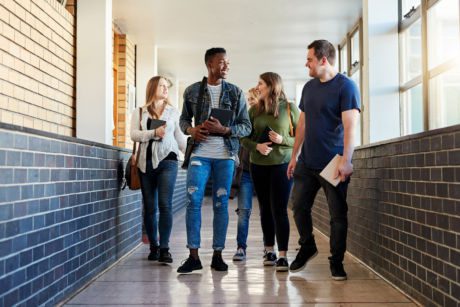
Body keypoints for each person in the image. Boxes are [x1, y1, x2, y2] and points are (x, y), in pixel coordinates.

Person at [287, 40, 361, 280]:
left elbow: (350, 126)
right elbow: (302, 123)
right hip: (307, 162)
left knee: (337, 215)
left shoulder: (346, 86)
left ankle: (336, 262)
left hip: (333, 163)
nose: (305, 63)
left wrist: (347, 160)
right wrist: (294, 154)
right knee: (298, 207)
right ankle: (307, 246)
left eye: (309, 59)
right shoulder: (308, 88)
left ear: (323, 60)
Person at [177, 47, 251, 274]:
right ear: (210, 64)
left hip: (225, 157)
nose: (226, 66)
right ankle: (193, 256)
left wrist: (225, 129)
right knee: (193, 202)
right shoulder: (191, 91)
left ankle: (218, 255)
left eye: (228, 62)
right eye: (222, 62)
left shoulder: (236, 93)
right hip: (199, 154)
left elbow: (246, 127)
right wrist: (192, 130)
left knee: (221, 205)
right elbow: (182, 121)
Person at [241, 72, 299, 272]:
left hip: (282, 164)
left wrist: (283, 141)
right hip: (258, 165)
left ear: (272, 86)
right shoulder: (254, 110)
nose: (257, 87)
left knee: (279, 209)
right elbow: (243, 137)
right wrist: (256, 147)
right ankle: (269, 250)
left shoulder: (290, 108)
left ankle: (283, 255)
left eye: (261, 84)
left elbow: (301, 137)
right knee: (265, 208)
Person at [130, 76, 186, 264]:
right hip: (145, 163)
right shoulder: (140, 112)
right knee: (150, 207)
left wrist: (193, 154)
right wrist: (153, 133)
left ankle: (165, 248)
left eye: (166, 86)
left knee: (165, 204)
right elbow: (134, 134)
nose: (165, 89)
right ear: (153, 87)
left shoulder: (173, 112)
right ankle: (153, 246)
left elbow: (179, 138)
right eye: (161, 85)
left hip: (168, 161)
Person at [231, 87, 258, 261]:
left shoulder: (269, 117)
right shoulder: (245, 119)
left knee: (270, 212)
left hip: (266, 170)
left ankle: (270, 248)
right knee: (244, 211)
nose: (249, 102)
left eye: (252, 99)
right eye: (248, 99)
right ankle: (241, 247)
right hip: (246, 171)